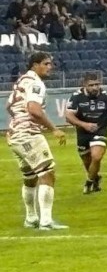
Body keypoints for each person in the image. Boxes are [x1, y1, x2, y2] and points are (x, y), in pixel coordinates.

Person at [5, 51, 68, 230]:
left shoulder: (21, 81)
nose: (50, 67)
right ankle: (46, 221)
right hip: (28, 134)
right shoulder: (35, 83)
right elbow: (34, 109)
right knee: (47, 173)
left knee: (30, 177)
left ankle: (31, 218)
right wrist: (54, 129)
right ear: (35, 65)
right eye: (46, 64)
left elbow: (9, 106)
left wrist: (17, 121)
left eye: (50, 64)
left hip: (14, 134)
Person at [65, 71, 107, 194]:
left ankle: (88, 183)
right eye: (91, 85)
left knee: (96, 157)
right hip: (82, 133)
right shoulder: (76, 97)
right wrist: (84, 125)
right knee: (87, 162)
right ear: (84, 85)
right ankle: (95, 179)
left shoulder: (106, 96)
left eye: (97, 84)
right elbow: (68, 116)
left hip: (99, 130)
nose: (95, 88)